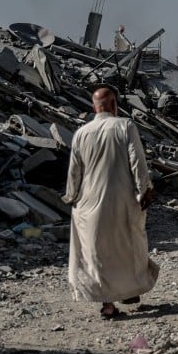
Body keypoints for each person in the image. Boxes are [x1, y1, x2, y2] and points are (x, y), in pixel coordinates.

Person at [62, 85, 159, 318]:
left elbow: (74, 171)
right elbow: (137, 161)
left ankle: (108, 304)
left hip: (88, 205)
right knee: (127, 247)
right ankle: (129, 290)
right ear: (114, 105)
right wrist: (145, 189)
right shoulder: (125, 126)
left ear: (94, 107)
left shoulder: (81, 133)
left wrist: (71, 197)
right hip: (121, 201)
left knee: (96, 254)